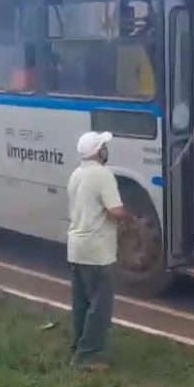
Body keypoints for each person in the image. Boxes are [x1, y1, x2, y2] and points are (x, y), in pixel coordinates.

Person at [67, 131, 131, 370]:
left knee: (81, 303)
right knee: (100, 305)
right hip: (96, 249)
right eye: (103, 146)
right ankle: (87, 356)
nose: (106, 150)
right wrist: (130, 219)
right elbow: (115, 210)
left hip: (76, 248)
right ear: (98, 152)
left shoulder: (76, 175)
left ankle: (78, 346)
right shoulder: (102, 175)